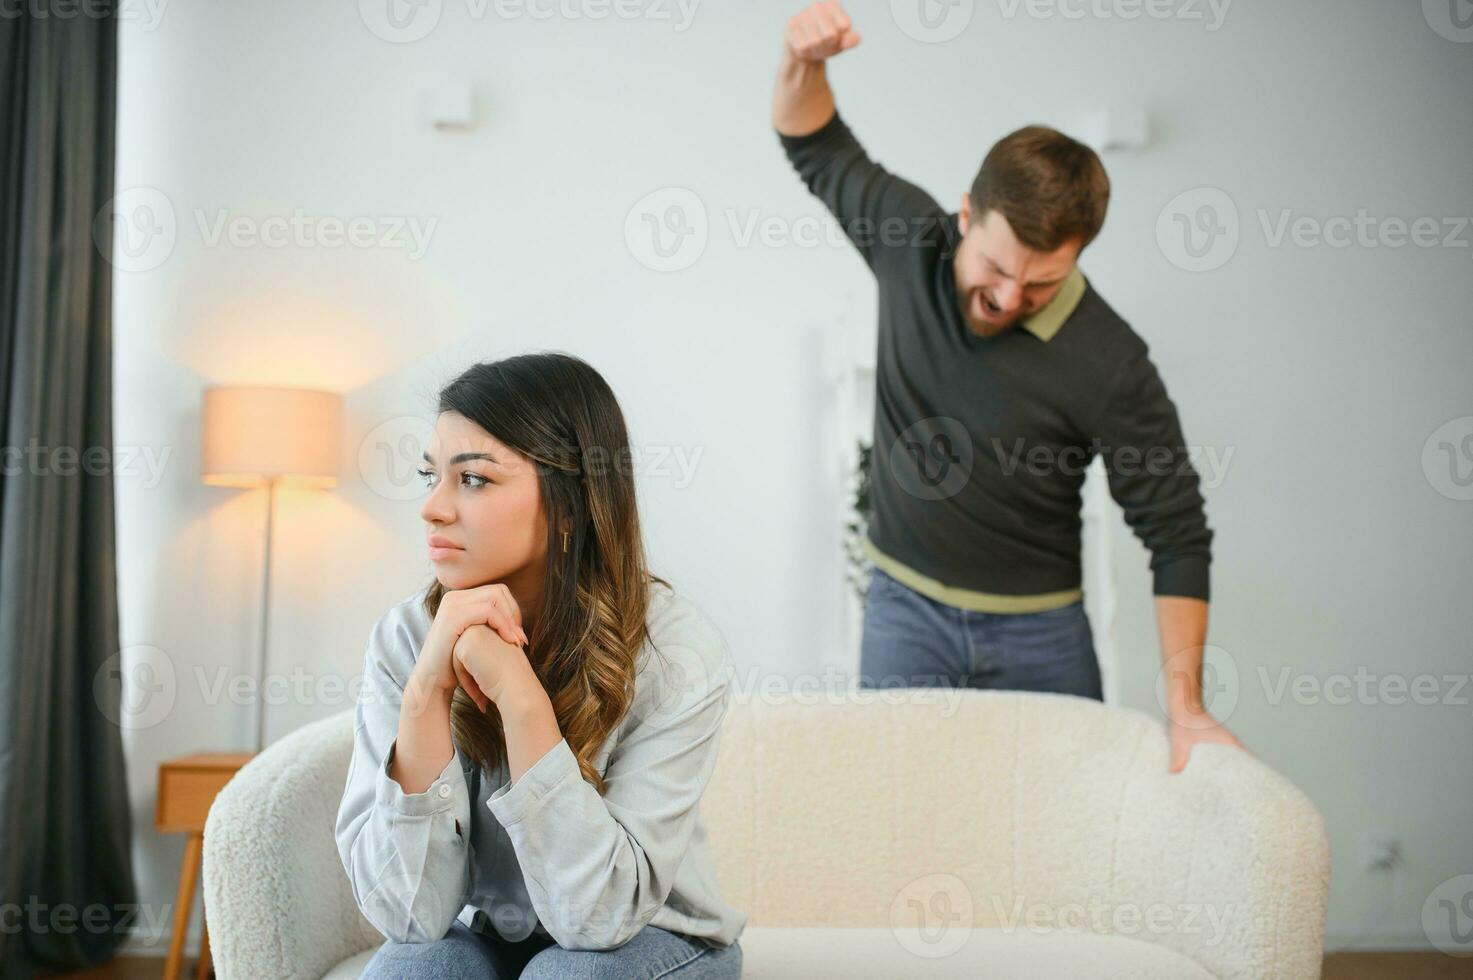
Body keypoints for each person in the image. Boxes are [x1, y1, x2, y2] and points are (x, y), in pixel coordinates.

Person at [771, 1, 1245, 772]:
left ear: (1076, 255)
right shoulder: (908, 238)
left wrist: (1185, 707)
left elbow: (1177, 534)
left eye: (1040, 283)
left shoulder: (1111, 360)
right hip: (903, 614)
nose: (1005, 298)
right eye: (993, 269)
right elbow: (811, 141)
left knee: (1063, 848)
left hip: (1041, 636)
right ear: (965, 216)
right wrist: (804, 60)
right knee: (893, 818)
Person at [335, 353, 746, 978]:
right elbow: (409, 917)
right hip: (493, 936)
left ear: (568, 506)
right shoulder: (407, 637)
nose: (433, 508)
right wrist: (426, 691)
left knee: (566, 975)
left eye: (472, 479)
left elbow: (598, 921)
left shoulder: (677, 650)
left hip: (653, 937)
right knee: (415, 971)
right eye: (431, 476)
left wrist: (521, 699)